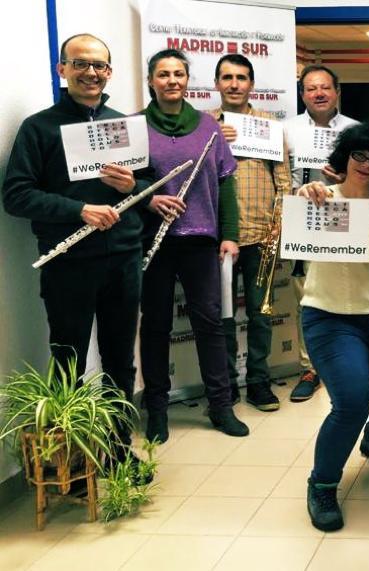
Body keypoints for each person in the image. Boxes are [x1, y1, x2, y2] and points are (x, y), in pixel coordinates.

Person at [2, 34, 155, 471]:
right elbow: (15, 195)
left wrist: (134, 186)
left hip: (123, 259)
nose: (91, 72)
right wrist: (79, 210)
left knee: (120, 362)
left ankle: (119, 452)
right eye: (81, 64)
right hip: (68, 263)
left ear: (109, 72)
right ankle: (69, 462)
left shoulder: (123, 125)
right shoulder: (39, 127)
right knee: (67, 360)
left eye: (99, 65)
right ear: (62, 69)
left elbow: (147, 188)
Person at [296, 123, 369, 532]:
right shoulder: (320, 196)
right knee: (351, 401)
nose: (366, 165)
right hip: (330, 315)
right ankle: (322, 484)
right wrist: (305, 194)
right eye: (359, 156)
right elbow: (299, 213)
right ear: (344, 158)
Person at [139, 48, 249, 440]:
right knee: (155, 326)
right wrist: (148, 198)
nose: (172, 80)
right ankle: (156, 409)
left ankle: (220, 406)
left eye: (178, 74)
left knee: (210, 324)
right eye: (163, 74)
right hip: (152, 242)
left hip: (201, 240)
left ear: (187, 80)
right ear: (151, 80)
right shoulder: (135, 127)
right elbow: (125, 183)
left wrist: (230, 234)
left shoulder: (207, 126)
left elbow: (226, 183)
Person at [209, 53, 291, 413]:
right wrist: (215, 142)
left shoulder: (269, 125)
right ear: (217, 83)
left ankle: (259, 381)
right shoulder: (204, 125)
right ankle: (226, 384)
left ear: (252, 84)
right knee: (223, 315)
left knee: (261, 312)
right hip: (219, 237)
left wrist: (279, 224)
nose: (234, 84)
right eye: (227, 77)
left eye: (241, 78)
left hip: (263, 235)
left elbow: (283, 180)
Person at [283, 65, 357, 403]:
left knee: (346, 291)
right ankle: (310, 368)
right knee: (307, 297)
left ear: (337, 91)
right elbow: (280, 178)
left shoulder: (354, 130)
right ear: (303, 95)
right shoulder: (288, 130)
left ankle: (347, 360)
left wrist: (344, 180)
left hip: (345, 220)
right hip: (303, 220)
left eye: (325, 87)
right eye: (311, 88)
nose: (319, 93)